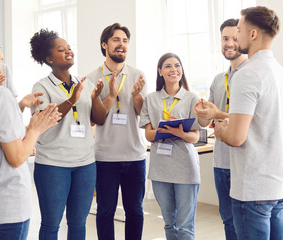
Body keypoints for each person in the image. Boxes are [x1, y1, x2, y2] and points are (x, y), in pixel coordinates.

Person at [198, 6, 283, 239]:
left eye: (238, 30)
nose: (235, 36)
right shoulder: (280, 72)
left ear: (252, 35)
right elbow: (261, 122)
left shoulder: (247, 74)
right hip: (277, 186)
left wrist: (220, 130)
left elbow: (236, 137)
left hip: (252, 190)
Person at [0, 24, 61, 240]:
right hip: (7, 207)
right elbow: (16, 157)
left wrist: (25, 130)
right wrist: (35, 130)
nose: (2, 54)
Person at [30, 28, 106, 240]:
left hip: (85, 164)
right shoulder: (41, 86)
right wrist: (72, 99)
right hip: (53, 165)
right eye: (61, 50)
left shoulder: (84, 82)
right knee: (51, 224)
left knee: (78, 223)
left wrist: (96, 97)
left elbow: (99, 119)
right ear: (49, 58)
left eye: (70, 48)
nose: (68, 52)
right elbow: (46, 119)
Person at [86, 23, 147, 240]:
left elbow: (142, 115)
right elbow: (94, 121)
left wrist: (138, 95)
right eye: (116, 40)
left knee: (135, 212)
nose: (121, 44)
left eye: (125, 41)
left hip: (135, 156)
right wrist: (109, 96)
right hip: (105, 158)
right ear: (105, 45)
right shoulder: (93, 77)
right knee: (104, 212)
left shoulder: (138, 75)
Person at [194, 18, 247, 240]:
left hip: (243, 163)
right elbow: (208, 123)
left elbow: (249, 121)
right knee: (227, 220)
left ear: (244, 39)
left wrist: (217, 114)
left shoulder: (250, 75)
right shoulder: (219, 79)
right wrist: (202, 113)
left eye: (235, 38)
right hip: (221, 163)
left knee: (244, 223)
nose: (229, 43)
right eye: (225, 38)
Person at [140, 52, 201, 240]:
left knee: (185, 227)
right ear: (160, 71)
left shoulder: (192, 98)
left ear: (182, 71)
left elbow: (195, 137)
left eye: (177, 65)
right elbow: (149, 135)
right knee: (169, 223)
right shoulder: (151, 99)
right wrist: (166, 130)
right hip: (160, 169)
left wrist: (180, 133)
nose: (173, 69)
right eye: (168, 66)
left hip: (185, 167)